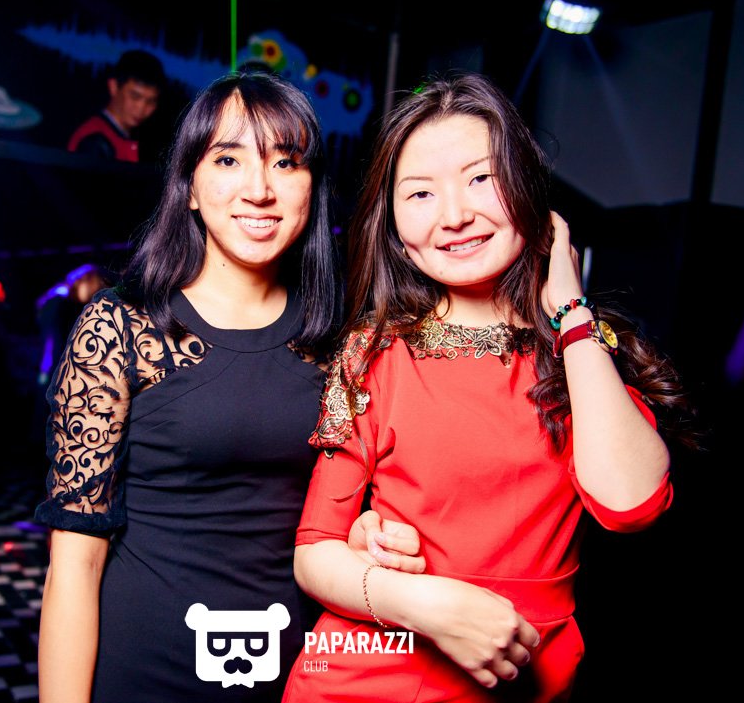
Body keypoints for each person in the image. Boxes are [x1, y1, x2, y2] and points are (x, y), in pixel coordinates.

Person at [283, 74, 690, 702]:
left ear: (528, 189)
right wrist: (427, 605)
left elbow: (631, 503)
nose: (454, 216)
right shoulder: (375, 352)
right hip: (367, 675)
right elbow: (315, 552)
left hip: (530, 678)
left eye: (480, 179)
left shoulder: (581, 351)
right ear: (394, 225)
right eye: (421, 193)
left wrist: (570, 312)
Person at [36, 70, 424, 703]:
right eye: (228, 159)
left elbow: (349, 514)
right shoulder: (120, 328)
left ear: (312, 186)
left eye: (286, 162)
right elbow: (73, 566)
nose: (259, 189)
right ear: (190, 186)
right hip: (145, 676)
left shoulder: (344, 337)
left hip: (304, 677)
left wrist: (369, 534)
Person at [67, 50, 166, 163]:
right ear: (113, 87)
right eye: (134, 96)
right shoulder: (95, 141)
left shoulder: (130, 139)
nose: (141, 108)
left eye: (151, 101)